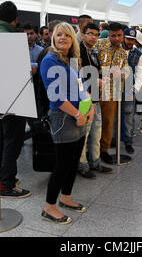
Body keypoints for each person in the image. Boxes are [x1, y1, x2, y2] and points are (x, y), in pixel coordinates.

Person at [40, 22, 95, 224]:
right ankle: (49, 207)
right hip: (63, 118)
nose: (62, 38)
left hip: (79, 115)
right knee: (62, 164)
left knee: (73, 162)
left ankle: (66, 197)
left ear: (73, 39)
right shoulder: (49, 61)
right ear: (53, 38)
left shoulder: (72, 60)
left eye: (67, 35)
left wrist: (90, 107)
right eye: (58, 34)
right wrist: (77, 114)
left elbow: (82, 87)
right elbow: (55, 97)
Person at [0, 1, 31, 198]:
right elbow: (20, 72)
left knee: (0, 141)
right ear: (15, 20)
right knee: (12, 143)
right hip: (15, 100)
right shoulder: (14, 39)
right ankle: (6, 184)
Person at [78, 23, 112, 178]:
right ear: (83, 34)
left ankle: (95, 161)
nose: (93, 37)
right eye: (90, 34)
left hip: (96, 97)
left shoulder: (94, 51)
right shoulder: (77, 52)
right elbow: (77, 77)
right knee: (84, 134)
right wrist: (93, 81)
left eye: (96, 35)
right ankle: (82, 164)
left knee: (96, 132)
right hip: (84, 99)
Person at [96, 22, 129, 165]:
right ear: (108, 34)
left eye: (119, 35)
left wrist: (120, 73)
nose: (116, 38)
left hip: (111, 92)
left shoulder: (122, 52)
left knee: (108, 122)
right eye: (113, 35)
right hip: (92, 90)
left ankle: (104, 150)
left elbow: (127, 71)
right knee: (90, 122)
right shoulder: (99, 45)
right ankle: (87, 152)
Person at [120, 28, 142, 153]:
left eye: (132, 40)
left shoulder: (138, 54)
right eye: (128, 39)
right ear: (123, 38)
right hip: (113, 88)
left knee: (129, 115)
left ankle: (128, 142)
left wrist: (135, 88)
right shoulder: (115, 49)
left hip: (129, 88)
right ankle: (113, 140)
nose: (130, 42)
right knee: (112, 116)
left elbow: (141, 71)